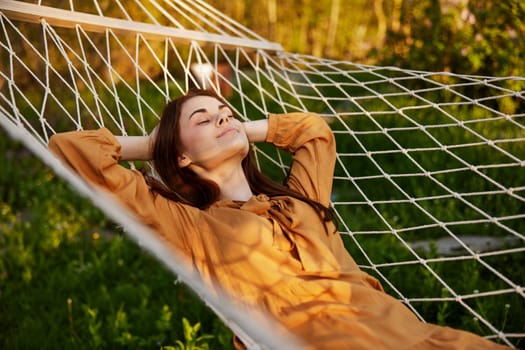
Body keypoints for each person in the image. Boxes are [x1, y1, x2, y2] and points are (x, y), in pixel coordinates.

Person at [49, 89, 509, 349]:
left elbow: (314, 133)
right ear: (181, 153)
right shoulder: (191, 226)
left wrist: (242, 129)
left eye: (227, 112)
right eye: (204, 119)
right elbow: (71, 149)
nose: (223, 119)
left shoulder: (299, 197)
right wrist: (158, 145)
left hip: (410, 333)